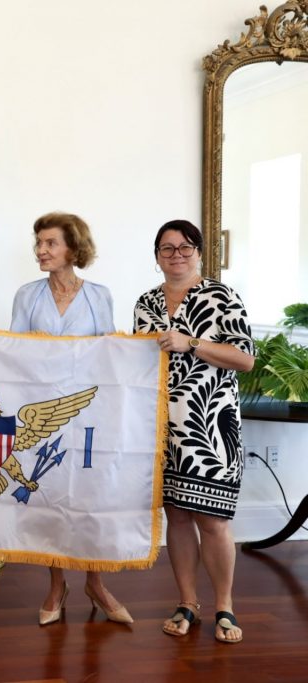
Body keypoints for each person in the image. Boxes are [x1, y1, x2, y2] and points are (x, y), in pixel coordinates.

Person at [133, 219, 254, 644]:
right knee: (178, 516)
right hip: (162, 430)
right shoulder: (146, 303)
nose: (177, 255)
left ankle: (225, 606)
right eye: (167, 248)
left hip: (212, 431)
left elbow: (245, 359)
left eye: (185, 247)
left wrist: (193, 343)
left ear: (199, 253)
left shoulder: (222, 297)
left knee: (214, 521)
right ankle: (187, 602)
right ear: (157, 256)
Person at [10, 212, 132, 627]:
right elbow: (12, 351)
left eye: (50, 243)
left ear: (73, 248)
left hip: (90, 411)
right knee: (51, 494)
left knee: (89, 496)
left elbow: (109, 351)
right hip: (43, 413)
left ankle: (95, 583)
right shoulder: (27, 295)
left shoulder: (99, 295)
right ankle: (57, 585)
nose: (41, 251)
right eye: (39, 243)